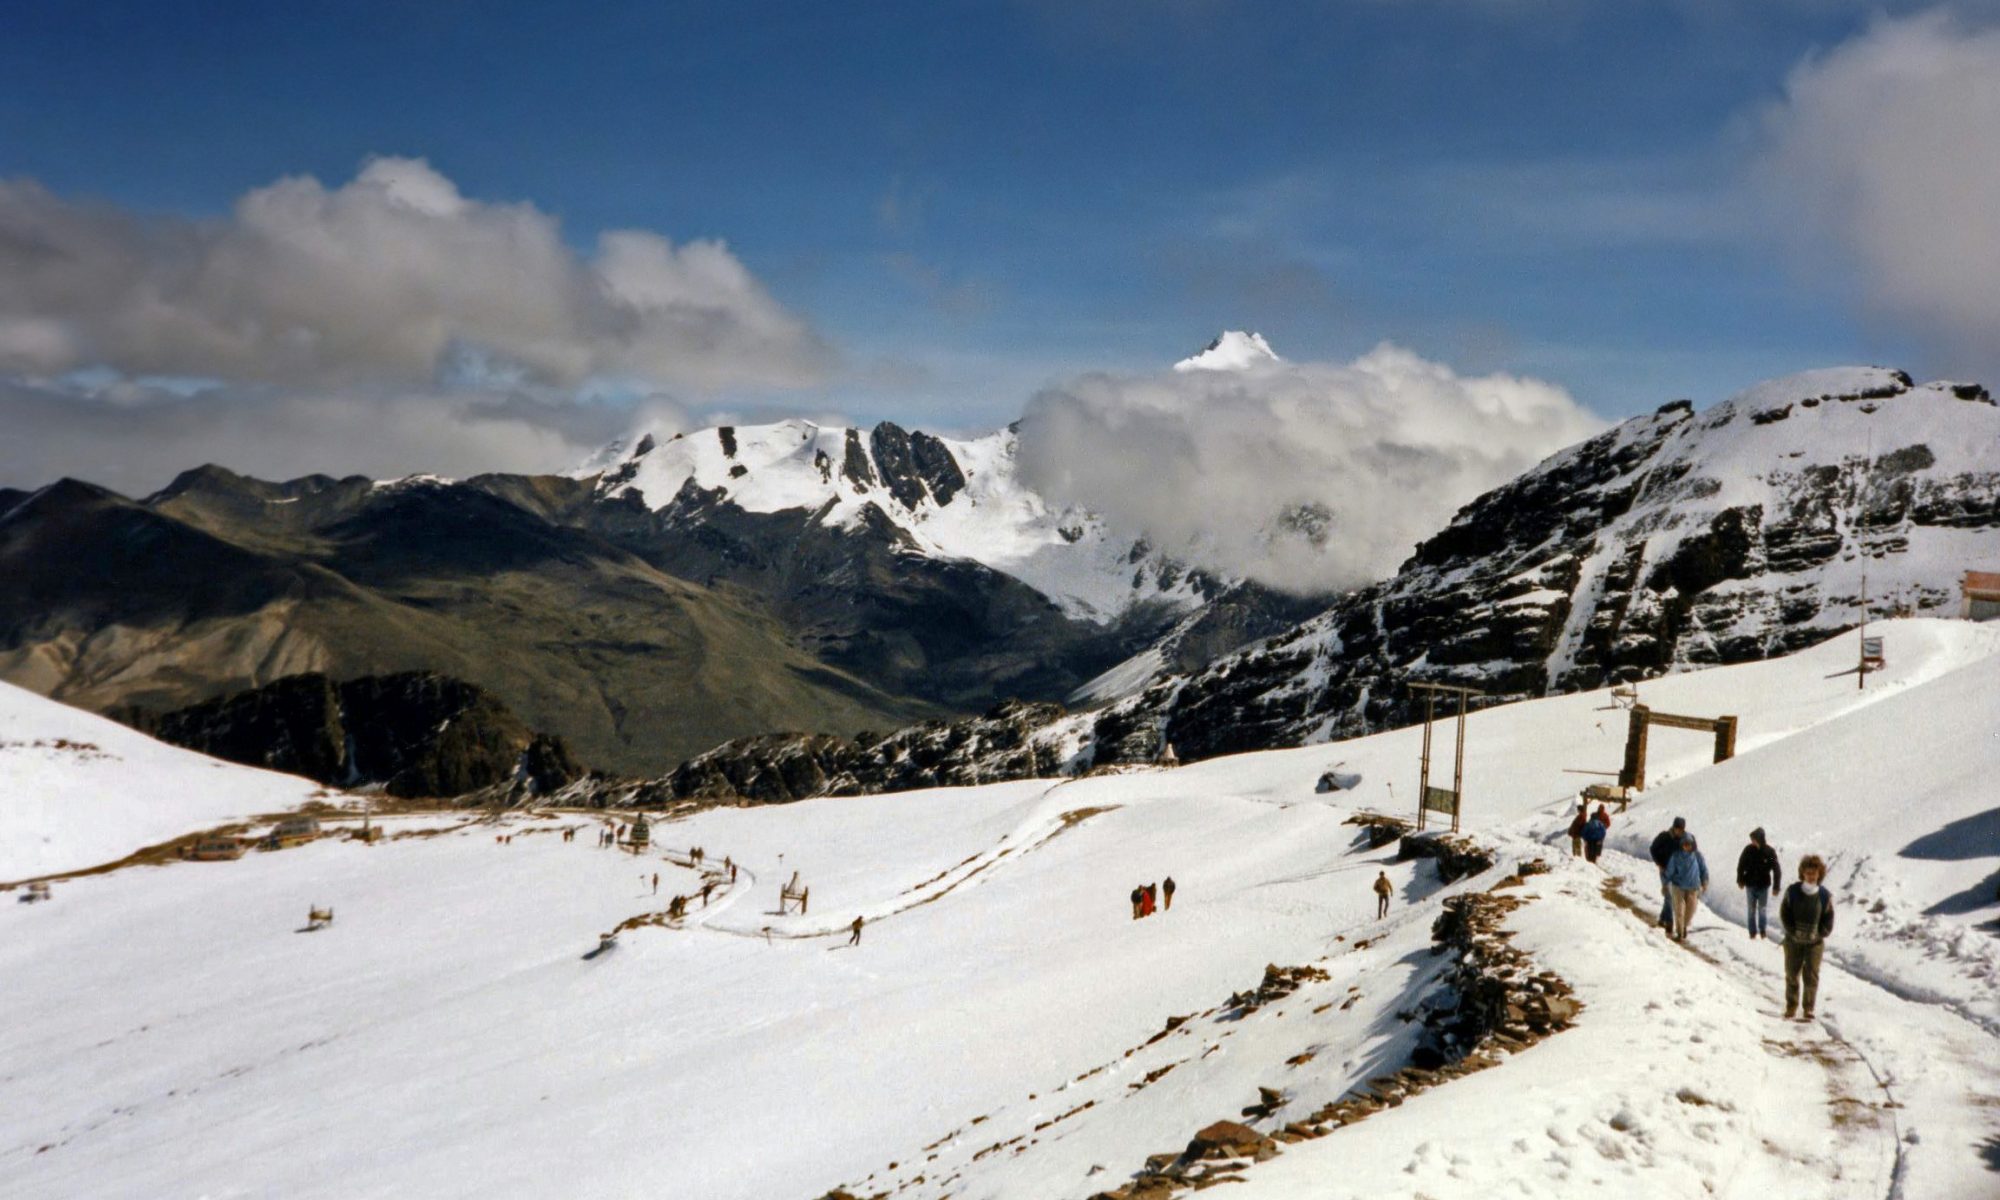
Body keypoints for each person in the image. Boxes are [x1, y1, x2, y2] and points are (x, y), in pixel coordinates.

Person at [1779, 854, 1835, 1020]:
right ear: (1802, 873)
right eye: (1807, 872)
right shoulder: (1793, 892)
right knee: (1791, 974)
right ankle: (1791, 1006)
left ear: (1819, 874)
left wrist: (1820, 934)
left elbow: (1829, 918)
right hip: (1793, 941)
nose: (1811, 876)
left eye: (1814, 873)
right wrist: (1791, 931)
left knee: (1811, 975)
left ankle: (1808, 1008)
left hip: (1814, 944)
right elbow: (1784, 913)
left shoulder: (1825, 896)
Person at [1662, 831, 1709, 942]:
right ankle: (1680, 933)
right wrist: (1665, 883)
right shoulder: (1676, 856)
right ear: (1682, 844)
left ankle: (1684, 926)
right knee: (1679, 911)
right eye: (1685, 844)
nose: (1687, 846)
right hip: (1678, 887)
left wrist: (1705, 881)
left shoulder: (1697, 855)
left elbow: (1703, 869)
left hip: (1693, 888)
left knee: (1691, 910)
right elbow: (1670, 871)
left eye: (1689, 844)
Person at [1736, 828, 1782, 940]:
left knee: (1762, 910)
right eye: (1752, 839)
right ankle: (1752, 932)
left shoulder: (1769, 852)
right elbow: (1741, 865)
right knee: (1751, 910)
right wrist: (1740, 880)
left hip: (1763, 886)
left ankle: (1762, 931)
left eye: (1754, 839)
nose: (1752, 841)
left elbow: (1776, 869)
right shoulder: (1748, 850)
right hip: (1750, 884)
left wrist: (1776, 887)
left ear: (1760, 839)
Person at [1650, 817, 1689, 931]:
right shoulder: (1665, 836)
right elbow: (1653, 849)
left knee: (1670, 897)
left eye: (1681, 829)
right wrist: (1659, 863)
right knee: (1669, 895)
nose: (1679, 831)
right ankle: (1669, 923)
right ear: (1674, 827)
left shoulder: (1685, 840)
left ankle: (1663, 919)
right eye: (1677, 828)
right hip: (1665, 870)